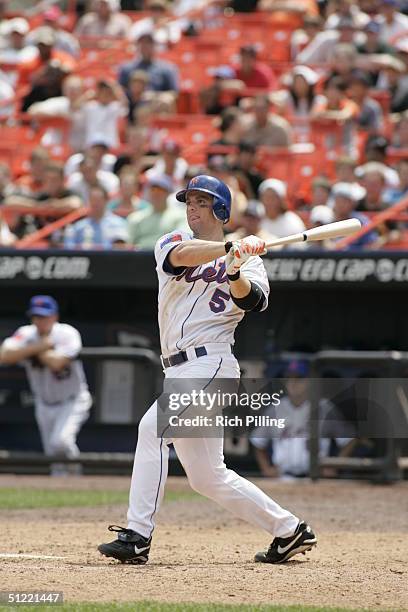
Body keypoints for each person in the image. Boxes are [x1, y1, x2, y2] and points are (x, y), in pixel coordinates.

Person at [98, 174, 317, 565]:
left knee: (153, 429)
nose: (193, 208)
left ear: (220, 209)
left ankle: (137, 536)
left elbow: (251, 301)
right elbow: (181, 258)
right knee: (207, 476)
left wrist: (235, 269)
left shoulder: (250, 258)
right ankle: (289, 531)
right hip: (177, 367)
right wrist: (227, 247)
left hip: (212, 362)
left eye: (202, 202)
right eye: (190, 202)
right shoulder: (173, 241)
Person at [0, 295, 92, 476]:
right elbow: (4, 355)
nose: (40, 321)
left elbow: (57, 363)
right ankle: (61, 489)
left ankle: (77, 479)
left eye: (45, 316)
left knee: (61, 442)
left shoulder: (67, 333)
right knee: (52, 455)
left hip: (73, 400)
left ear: (55, 316)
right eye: (36, 316)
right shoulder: (27, 333)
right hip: (44, 403)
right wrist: (39, 347)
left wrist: (28, 351)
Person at [250, 360, 354, 478]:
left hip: (315, 477)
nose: (293, 383)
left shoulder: (324, 408)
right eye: (289, 378)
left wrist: (334, 467)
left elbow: (348, 440)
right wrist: (266, 469)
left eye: (299, 378)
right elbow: (257, 442)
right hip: (283, 477)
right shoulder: (275, 409)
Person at [127, 174, 187, 248]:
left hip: (167, 256)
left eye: (160, 190)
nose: (156, 193)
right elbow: (128, 246)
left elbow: (181, 242)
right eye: (153, 190)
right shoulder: (136, 218)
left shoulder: (180, 216)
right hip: (140, 257)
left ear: (168, 193)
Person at [64, 184, 128, 249]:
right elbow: (69, 249)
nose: (95, 203)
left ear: (106, 201)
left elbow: (121, 249)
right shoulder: (79, 227)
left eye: (98, 200)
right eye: (93, 200)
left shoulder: (118, 223)